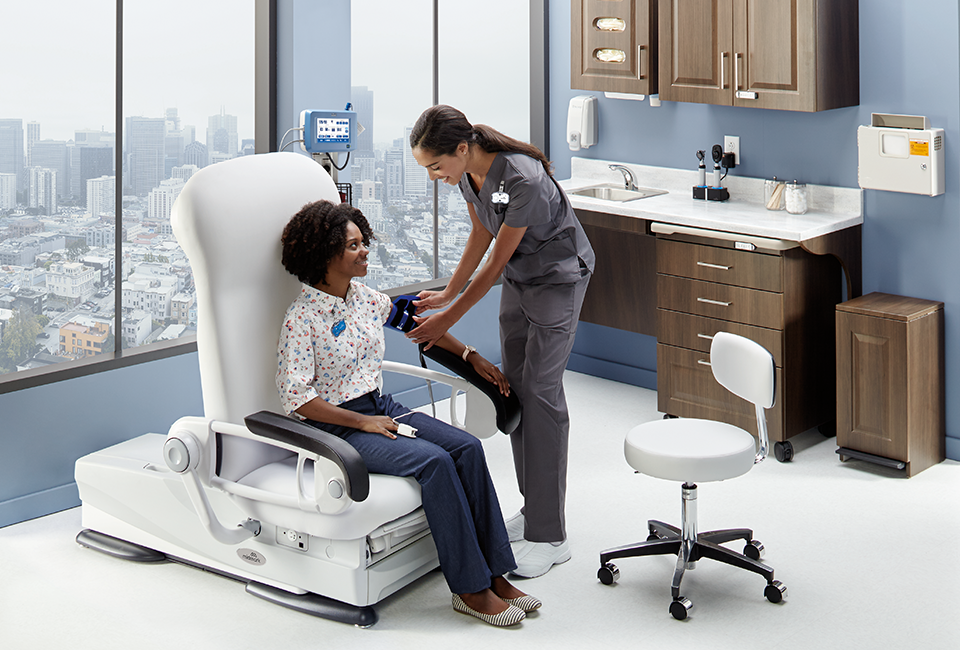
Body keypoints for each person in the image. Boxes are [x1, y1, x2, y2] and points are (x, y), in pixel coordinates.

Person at [275, 199, 540, 627]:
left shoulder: (363, 298)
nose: (365, 251)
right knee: (434, 463)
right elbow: (297, 399)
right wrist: (362, 422)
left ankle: (494, 572)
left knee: (468, 448)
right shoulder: (301, 319)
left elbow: (417, 325)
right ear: (324, 255)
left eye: (364, 241)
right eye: (353, 245)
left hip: (380, 407)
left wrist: (472, 357)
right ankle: (469, 589)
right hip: (337, 426)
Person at [407, 105, 595, 578]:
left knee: (542, 395)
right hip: (521, 280)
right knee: (512, 390)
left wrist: (446, 319)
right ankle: (535, 512)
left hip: (557, 280)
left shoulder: (524, 180)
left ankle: (551, 536)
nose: (433, 176)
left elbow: (494, 263)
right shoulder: (469, 177)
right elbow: (479, 234)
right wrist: (448, 290)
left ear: (463, 149)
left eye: (434, 165)